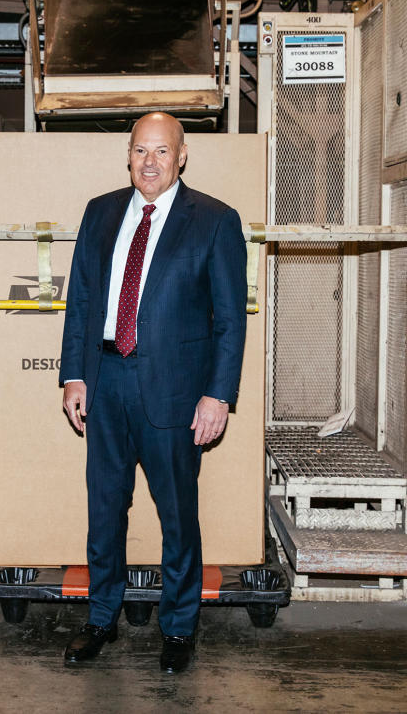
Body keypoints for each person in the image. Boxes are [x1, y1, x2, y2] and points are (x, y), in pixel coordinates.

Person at [58, 111, 247, 673]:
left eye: (161, 151)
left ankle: (180, 629)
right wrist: (74, 374)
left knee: (178, 517)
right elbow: (83, 302)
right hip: (107, 381)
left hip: (174, 393)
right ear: (129, 154)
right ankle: (100, 619)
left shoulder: (214, 221)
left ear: (182, 156)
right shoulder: (100, 213)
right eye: (141, 150)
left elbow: (230, 321)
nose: (150, 161)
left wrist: (218, 395)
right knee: (105, 511)